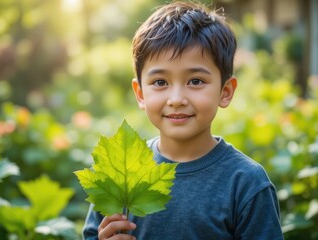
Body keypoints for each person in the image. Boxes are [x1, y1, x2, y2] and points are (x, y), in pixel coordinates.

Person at [82, 1, 284, 239]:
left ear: (225, 91)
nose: (176, 99)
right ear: (140, 94)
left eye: (195, 81)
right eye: (160, 83)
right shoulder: (120, 174)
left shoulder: (246, 183)